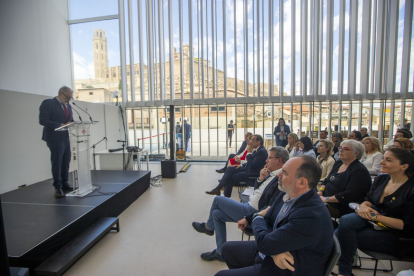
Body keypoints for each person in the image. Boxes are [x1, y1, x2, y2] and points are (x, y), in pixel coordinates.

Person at [215, 156, 334, 276]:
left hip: (287, 268)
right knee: (227, 249)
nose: (279, 175)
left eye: (285, 173)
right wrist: (274, 250)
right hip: (276, 251)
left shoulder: (310, 216)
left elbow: (264, 242)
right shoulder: (287, 195)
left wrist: (257, 217)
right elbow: (268, 219)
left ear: (302, 182)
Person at [192, 147, 289, 262]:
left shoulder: (281, 179)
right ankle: (220, 252)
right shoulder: (272, 174)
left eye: (269, 158)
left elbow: (271, 206)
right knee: (216, 214)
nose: (266, 160)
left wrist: (250, 217)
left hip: (252, 212)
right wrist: (260, 179)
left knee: (217, 200)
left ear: (279, 160)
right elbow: (258, 193)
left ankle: (208, 227)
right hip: (249, 205)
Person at [335, 148, 414, 276]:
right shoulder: (382, 179)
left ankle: (344, 272)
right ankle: (344, 272)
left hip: (397, 235)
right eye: (383, 158)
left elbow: (407, 226)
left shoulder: (411, 189)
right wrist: (364, 207)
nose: (382, 162)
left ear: (404, 166)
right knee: (345, 221)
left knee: (340, 234)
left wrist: (373, 216)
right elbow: (369, 200)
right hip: (373, 221)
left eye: (388, 160)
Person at [318, 140, 371, 218]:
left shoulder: (359, 170)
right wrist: (320, 191)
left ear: (356, 153)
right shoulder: (339, 163)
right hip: (325, 199)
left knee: (309, 208)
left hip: (341, 206)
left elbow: (349, 194)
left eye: (345, 149)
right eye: (340, 148)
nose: (341, 150)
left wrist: (326, 199)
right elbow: (327, 180)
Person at [39, 86, 75, 198]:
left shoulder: (68, 105)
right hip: (54, 137)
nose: (69, 99)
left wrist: (73, 123)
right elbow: (43, 120)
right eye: (68, 97)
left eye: (71, 97)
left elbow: (70, 120)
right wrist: (59, 125)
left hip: (65, 137)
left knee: (66, 160)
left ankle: (65, 184)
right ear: (61, 93)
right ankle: (58, 187)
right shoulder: (48, 103)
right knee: (57, 162)